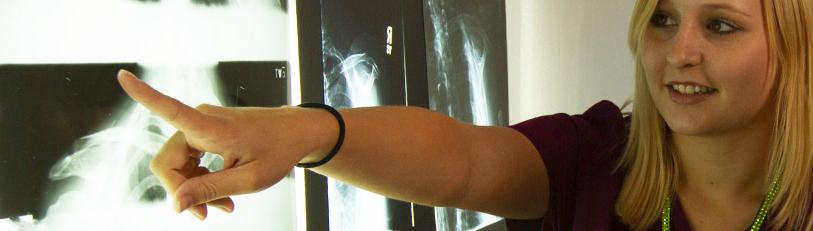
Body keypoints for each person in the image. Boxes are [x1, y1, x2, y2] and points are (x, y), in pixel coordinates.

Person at [116, 0, 813, 230]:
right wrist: (297, 131)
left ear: (792, 44)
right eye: (662, 19)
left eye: (720, 25)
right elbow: (462, 159)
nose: (678, 51)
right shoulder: (598, 158)